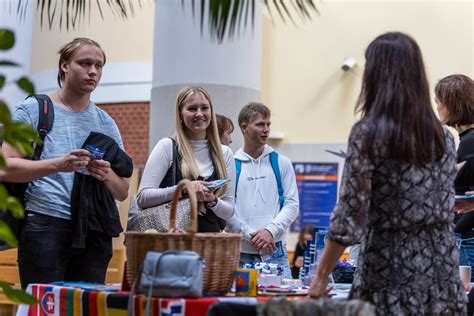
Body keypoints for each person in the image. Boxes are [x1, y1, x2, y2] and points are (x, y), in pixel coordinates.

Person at [308, 32, 466, 314]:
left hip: (389, 271)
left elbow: (349, 214)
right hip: (442, 275)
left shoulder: (368, 134)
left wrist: (320, 278)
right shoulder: (442, 136)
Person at [2, 38, 132, 289]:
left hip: (94, 230)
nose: (93, 71)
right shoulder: (35, 109)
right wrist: (58, 165)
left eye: (99, 65)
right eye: (84, 63)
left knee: (86, 307)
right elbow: (6, 167)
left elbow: (123, 191)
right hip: (45, 223)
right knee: (44, 307)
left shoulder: (106, 123)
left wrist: (106, 175)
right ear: (64, 66)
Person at [137, 86, 235, 232]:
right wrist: (183, 189)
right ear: (180, 114)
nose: (199, 114)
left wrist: (212, 200)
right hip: (173, 244)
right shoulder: (167, 147)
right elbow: (143, 198)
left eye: (204, 108)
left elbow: (228, 211)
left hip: (212, 245)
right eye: (192, 108)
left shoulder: (224, 153)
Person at [226, 102, 299, 279]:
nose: (266, 129)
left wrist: (270, 231)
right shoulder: (230, 164)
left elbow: (292, 205)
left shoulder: (282, 162)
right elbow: (226, 209)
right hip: (239, 254)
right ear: (244, 128)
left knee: (281, 306)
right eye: (260, 124)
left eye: (268, 124)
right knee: (241, 306)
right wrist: (250, 235)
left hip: (276, 253)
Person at [435, 74, 474, 238]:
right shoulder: (466, 140)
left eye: (438, 102)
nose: (437, 108)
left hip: (466, 237)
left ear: (452, 104)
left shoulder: (470, 142)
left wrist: (453, 232)